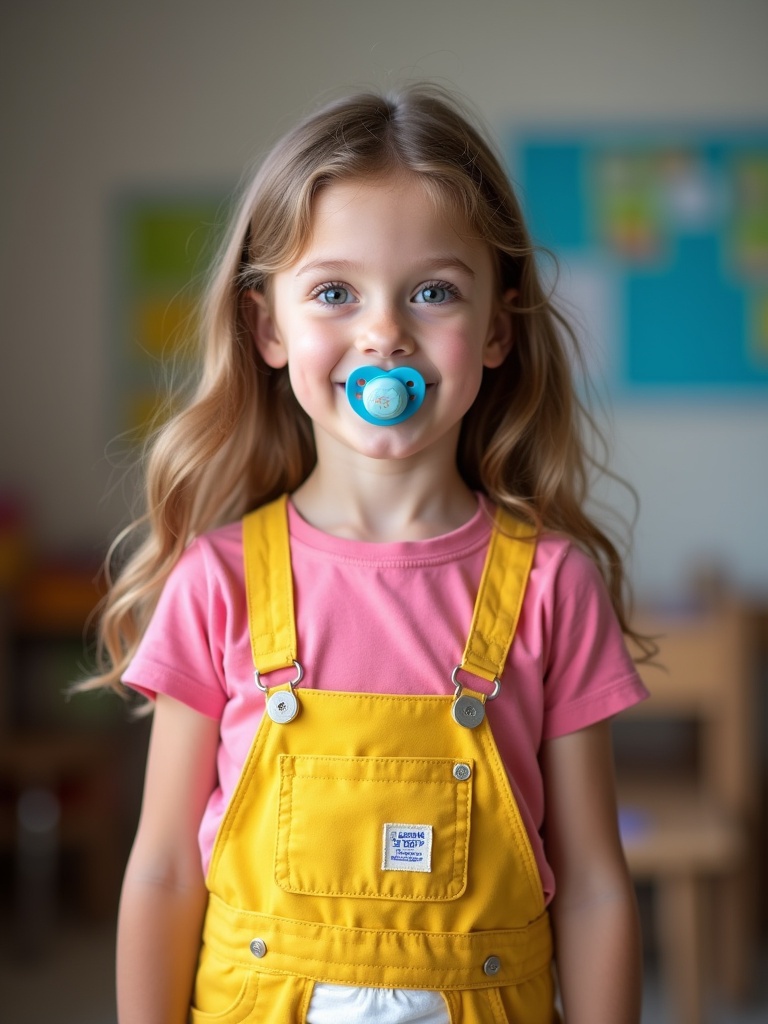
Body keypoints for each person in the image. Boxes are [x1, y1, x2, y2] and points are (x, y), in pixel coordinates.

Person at [90, 84, 650, 1024]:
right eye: (335, 292)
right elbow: (163, 868)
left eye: (433, 291)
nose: (384, 331)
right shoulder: (215, 583)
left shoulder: (555, 586)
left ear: (499, 328)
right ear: (270, 326)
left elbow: (594, 885)